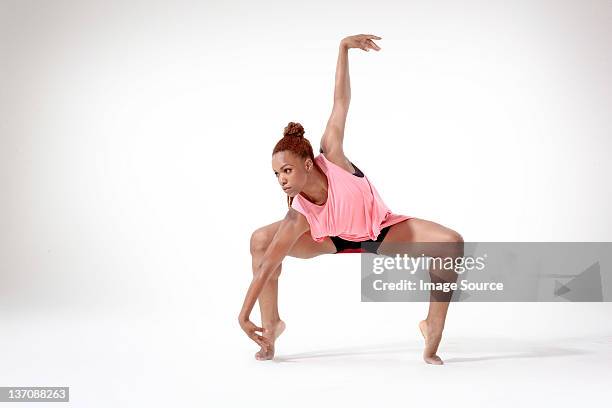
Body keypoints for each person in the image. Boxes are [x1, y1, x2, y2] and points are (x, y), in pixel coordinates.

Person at [238, 34, 464, 365]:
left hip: (379, 231)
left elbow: (340, 101)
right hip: (329, 239)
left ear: (306, 163)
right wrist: (243, 316)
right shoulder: (298, 214)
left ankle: (433, 327)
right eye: (276, 174)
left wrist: (343, 48)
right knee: (260, 241)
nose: (281, 179)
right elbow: (269, 262)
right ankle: (270, 326)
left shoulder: (333, 155)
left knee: (451, 243)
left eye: (286, 170)